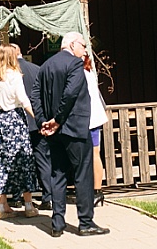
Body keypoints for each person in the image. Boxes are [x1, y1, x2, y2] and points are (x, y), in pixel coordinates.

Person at [35, 31, 110, 237]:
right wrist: (57, 120)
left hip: (54, 132)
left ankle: (57, 223)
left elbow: (35, 95)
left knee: (57, 174)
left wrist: (43, 121)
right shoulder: (75, 64)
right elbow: (70, 94)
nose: (85, 50)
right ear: (73, 44)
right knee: (82, 175)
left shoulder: (46, 65)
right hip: (74, 129)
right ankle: (86, 222)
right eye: (83, 46)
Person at [0, 45, 39, 219]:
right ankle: (28, 205)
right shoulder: (15, 76)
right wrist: (38, 119)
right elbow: (23, 100)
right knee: (23, 160)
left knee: (0, 161)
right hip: (15, 120)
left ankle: (2, 206)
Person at [11, 43, 53, 210]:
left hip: (18, 122)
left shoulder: (9, 73)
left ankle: (16, 196)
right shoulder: (37, 69)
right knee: (43, 159)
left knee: (17, 160)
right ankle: (48, 197)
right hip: (36, 120)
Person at [83, 53, 109, 205]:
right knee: (94, 154)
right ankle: (97, 191)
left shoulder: (83, 75)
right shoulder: (90, 74)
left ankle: (95, 190)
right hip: (94, 118)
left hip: (88, 119)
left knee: (92, 154)